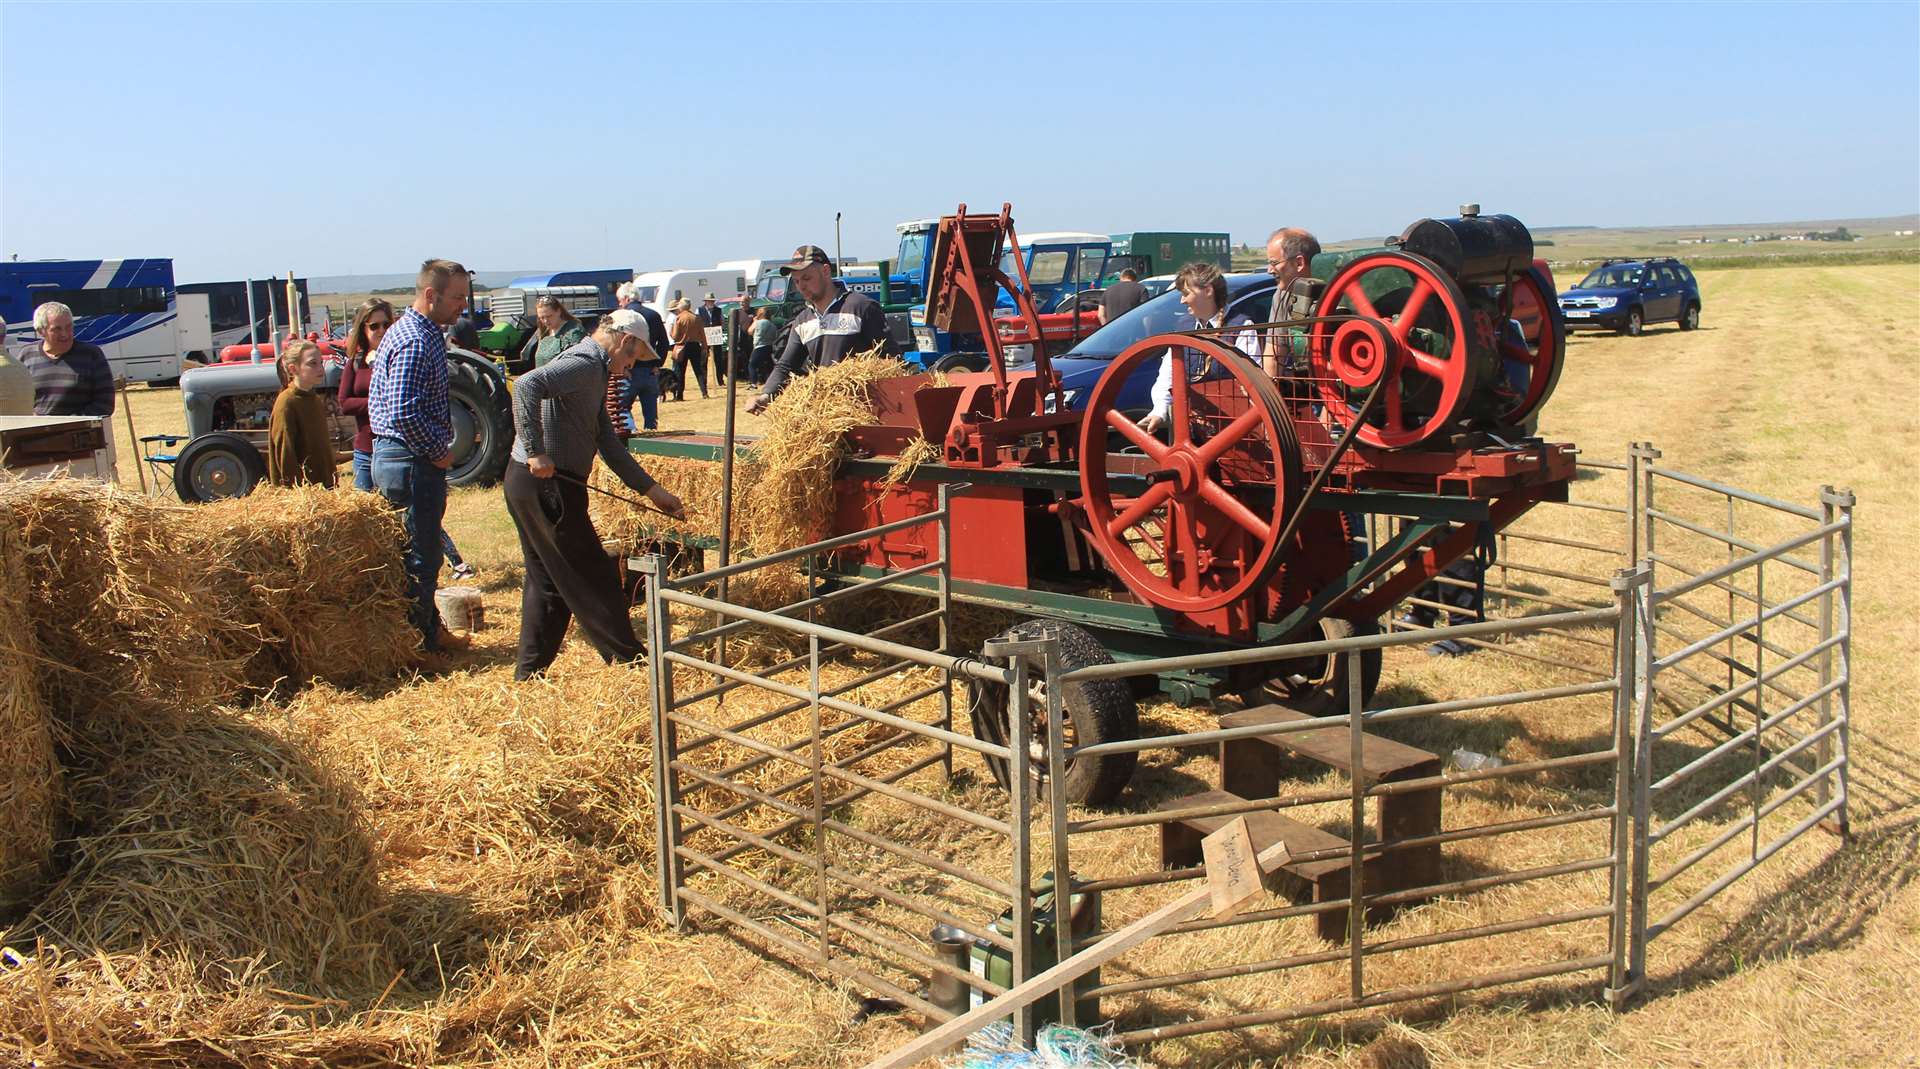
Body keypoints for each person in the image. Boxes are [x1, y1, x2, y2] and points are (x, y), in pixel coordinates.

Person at [505, 309, 685, 679]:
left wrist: (653, 491)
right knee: (594, 575)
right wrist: (536, 449)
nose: (630, 367)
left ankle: (529, 672)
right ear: (625, 340)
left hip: (529, 483)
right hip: (547, 485)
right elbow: (526, 385)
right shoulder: (586, 363)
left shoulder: (595, 373)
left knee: (549, 583)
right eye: (632, 357)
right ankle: (632, 665)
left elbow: (607, 441)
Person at [368, 258, 469, 653]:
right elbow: (403, 410)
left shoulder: (416, 332)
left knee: (416, 553)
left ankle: (426, 632)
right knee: (419, 558)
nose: (463, 305)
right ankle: (421, 645)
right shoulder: (415, 338)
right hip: (409, 459)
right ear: (431, 295)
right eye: (457, 297)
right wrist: (436, 450)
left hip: (400, 457)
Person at [342, 298, 475, 579]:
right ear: (362, 329)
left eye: (384, 324)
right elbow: (348, 403)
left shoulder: (397, 344)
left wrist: (380, 402)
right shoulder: (361, 360)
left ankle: (455, 561)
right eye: (373, 325)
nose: (380, 330)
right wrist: (436, 449)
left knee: (419, 524)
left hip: (389, 445)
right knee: (388, 524)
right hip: (373, 448)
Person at [749, 245, 892, 414]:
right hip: (826, 413)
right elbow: (785, 366)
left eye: (807, 278)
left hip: (864, 411)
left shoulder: (860, 308)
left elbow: (891, 360)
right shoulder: (802, 321)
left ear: (825, 271)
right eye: (796, 281)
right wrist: (765, 396)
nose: (801, 286)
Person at [1137, 262, 1258, 436]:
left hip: (1235, 428)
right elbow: (1167, 375)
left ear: (1208, 291)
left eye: (1186, 293)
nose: (1182, 300)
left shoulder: (1241, 326)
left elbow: (1252, 383)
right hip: (1194, 430)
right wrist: (1159, 411)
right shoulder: (1183, 326)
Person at [22, 302, 114, 419]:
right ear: (41, 331)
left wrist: (67, 423)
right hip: (37, 433)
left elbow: (105, 404)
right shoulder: (27, 355)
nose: (65, 334)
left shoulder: (91, 354)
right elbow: (18, 397)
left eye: (69, 327)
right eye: (57, 329)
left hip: (80, 433)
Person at [267, 340, 338, 488]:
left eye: (320, 363)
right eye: (313, 364)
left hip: (323, 489)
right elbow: (284, 452)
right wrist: (295, 491)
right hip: (303, 494)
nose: (320, 369)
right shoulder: (287, 402)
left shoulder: (314, 400)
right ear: (293, 369)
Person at [1262, 227, 1322, 378]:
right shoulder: (1281, 295)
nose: (1270, 270)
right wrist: (1269, 392)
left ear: (1299, 263)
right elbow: (1274, 353)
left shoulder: (1336, 289)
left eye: (1274, 263)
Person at [613, 282, 669, 433]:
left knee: (621, 409)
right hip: (650, 370)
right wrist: (658, 364)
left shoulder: (622, 317)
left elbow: (618, 345)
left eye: (620, 300)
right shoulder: (654, 315)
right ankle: (652, 440)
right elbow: (664, 342)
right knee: (651, 415)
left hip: (629, 371)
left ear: (626, 299)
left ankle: (631, 439)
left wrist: (621, 367)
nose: (619, 304)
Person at [520, 296, 586, 369]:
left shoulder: (574, 331)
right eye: (542, 318)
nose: (545, 321)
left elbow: (576, 364)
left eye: (549, 316)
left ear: (558, 311)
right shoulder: (543, 331)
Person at [667, 298, 710, 400]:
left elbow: (675, 336)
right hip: (695, 346)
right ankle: (704, 392)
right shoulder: (697, 318)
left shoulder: (679, 318)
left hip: (682, 346)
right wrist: (705, 347)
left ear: (681, 307)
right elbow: (702, 335)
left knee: (680, 372)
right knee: (698, 371)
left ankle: (679, 395)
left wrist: (670, 332)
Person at [698, 293, 726, 385]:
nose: (711, 302)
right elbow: (697, 323)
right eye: (709, 301)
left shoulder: (719, 310)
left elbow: (722, 322)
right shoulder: (699, 310)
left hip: (715, 336)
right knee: (703, 361)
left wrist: (718, 330)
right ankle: (704, 382)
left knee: (719, 360)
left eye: (712, 301)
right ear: (705, 301)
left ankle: (720, 380)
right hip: (704, 338)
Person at [748, 306, 777, 387]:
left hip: (759, 346)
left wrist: (754, 321)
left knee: (752, 365)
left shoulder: (759, 322)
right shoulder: (772, 324)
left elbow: (750, 331)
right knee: (767, 366)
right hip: (769, 346)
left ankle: (753, 383)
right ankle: (770, 383)